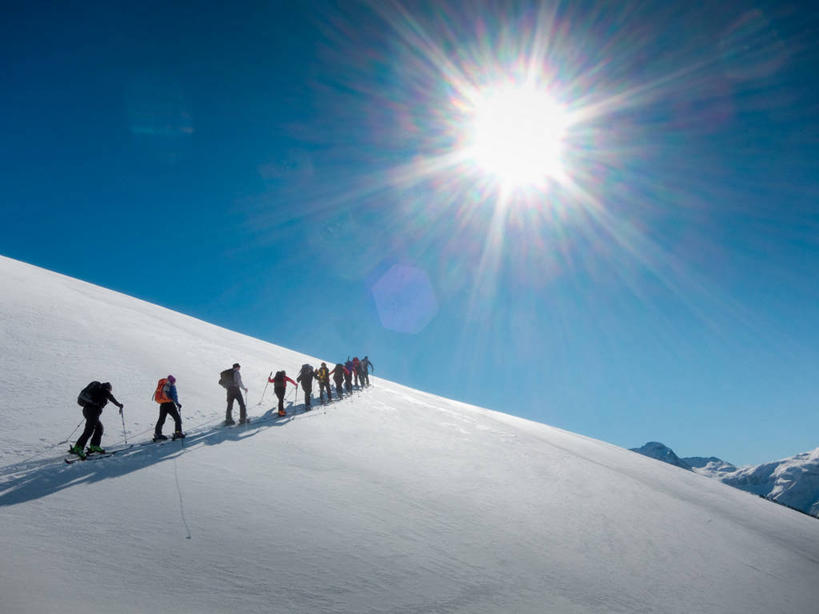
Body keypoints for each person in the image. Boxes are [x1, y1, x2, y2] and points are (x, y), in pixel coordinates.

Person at [70, 381, 124, 459]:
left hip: (88, 410)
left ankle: (94, 446)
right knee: (89, 430)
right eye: (110, 390)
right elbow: (111, 397)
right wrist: (119, 405)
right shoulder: (104, 390)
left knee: (99, 428)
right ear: (108, 388)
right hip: (92, 411)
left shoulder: (98, 390)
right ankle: (78, 448)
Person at [154, 375, 185, 441]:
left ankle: (157, 434)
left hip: (163, 404)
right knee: (177, 418)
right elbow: (174, 396)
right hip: (170, 404)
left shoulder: (163, 385)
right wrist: (177, 403)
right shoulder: (171, 386)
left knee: (161, 419)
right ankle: (178, 432)